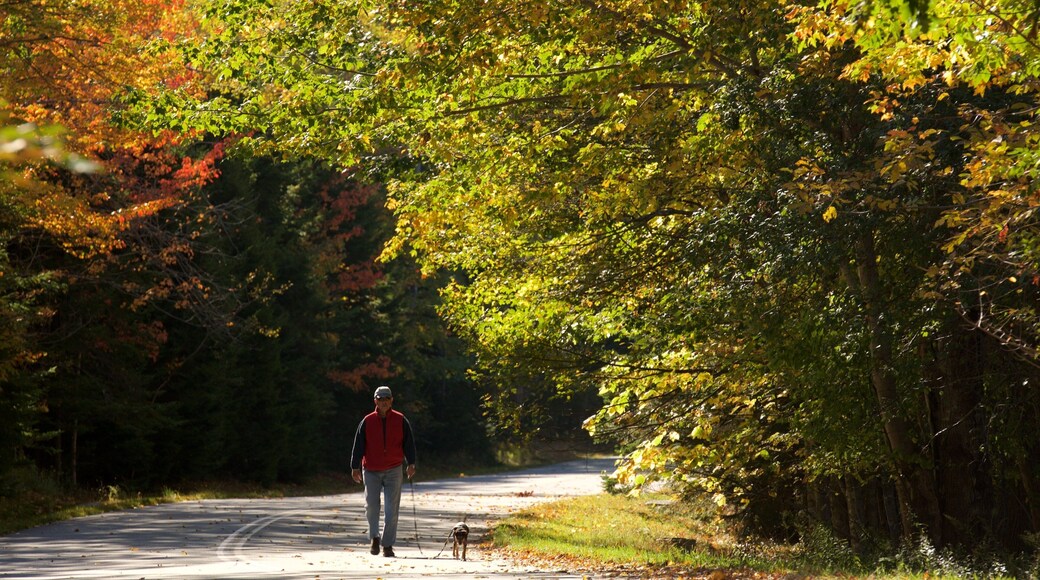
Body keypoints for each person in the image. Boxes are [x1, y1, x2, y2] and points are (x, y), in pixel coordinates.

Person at [351, 385, 417, 558]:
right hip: (371, 469)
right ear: (375, 401)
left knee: (391, 509)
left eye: (387, 398)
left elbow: (408, 443)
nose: (384, 402)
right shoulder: (367, 421)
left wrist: (411, 463)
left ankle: (387, 545)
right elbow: (358, 445)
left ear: (392, 400)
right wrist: (354, 466)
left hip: (394, 469)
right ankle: (374, 537)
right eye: (380, 399)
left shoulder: (401, 420)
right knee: (371, 506)